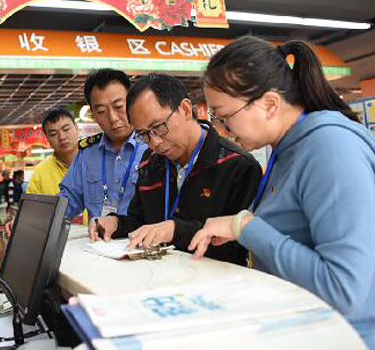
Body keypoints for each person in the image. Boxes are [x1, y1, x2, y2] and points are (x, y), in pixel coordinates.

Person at [187, 37, 375, 347]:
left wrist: (245, 227)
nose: (224, 129)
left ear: (270, 104)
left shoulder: (330, 149)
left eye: (225, 116)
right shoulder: (286, 147)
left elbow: (344, 290)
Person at [92, 74, 262, 265]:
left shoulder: (237, 165)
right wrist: (116, 223)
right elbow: (140, 221)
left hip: (213, 279)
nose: (155, 142)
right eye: (144, 135)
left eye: (159, 127)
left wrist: (175, 230)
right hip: (156, 275)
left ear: (185, 109)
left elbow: (237, 245)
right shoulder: (150, 162)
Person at [59, 68, 148, 220]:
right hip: (98, 235)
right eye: (101, 111)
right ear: (93, 114)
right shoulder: (87, 153)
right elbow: (68, 200)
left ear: (132, 102)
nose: (113, 118)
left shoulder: (153, 146)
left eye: (119, 107)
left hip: (141, 235)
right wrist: (35, 218)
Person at [4, 107, 79, 236]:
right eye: (53, 134)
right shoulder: (40, 173)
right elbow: (32, 211)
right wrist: (21, 221)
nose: (62, 137)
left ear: (76, 129)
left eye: (66, 129)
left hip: (101, 240)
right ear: (47, 140)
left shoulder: (97, 161)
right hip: (58, 241)